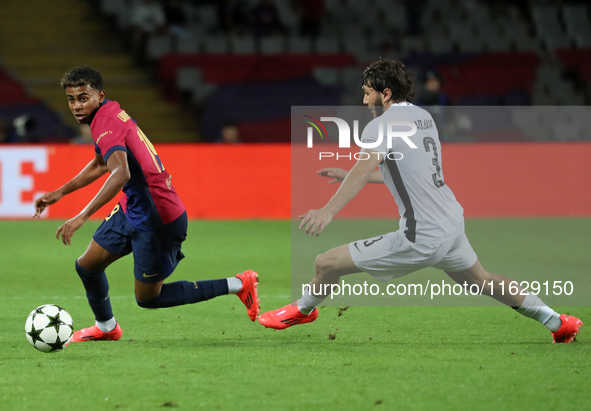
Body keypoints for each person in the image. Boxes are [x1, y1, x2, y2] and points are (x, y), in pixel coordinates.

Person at [259, 58, 583, 344]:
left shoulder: (381, 125)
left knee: (324, 263)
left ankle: (302, 311)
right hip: (451, 224)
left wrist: (328, 210)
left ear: (385, 93)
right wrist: (350, 174)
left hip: (422, 236)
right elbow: (407, 171)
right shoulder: (423, 117)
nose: (364, 99)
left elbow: (367, 166)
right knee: (483, 281)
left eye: (367, 92)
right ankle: (557, 322)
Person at [33, 66, 259, 342]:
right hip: (133, 208)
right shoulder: (106, 114)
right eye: (71, 99)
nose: (77, 105)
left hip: (157, 219)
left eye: (83, 97)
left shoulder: (105, 122)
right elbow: (102, 163)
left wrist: (81, 216)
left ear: (99, 95)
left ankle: (238, 284)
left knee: (149, 298)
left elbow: (121, 173)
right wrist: (60, 192)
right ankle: (106, 327)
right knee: (87, 266)